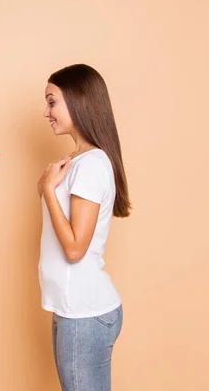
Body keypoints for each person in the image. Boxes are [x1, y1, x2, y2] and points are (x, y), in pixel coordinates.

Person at [37, 64, 131, 391]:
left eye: (52, 102)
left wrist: (48, 190)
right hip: (74, 309)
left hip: (84, 314)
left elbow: (75, 249)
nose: (46, 112)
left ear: (78, 102)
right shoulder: (78, 162)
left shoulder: (90, 166)